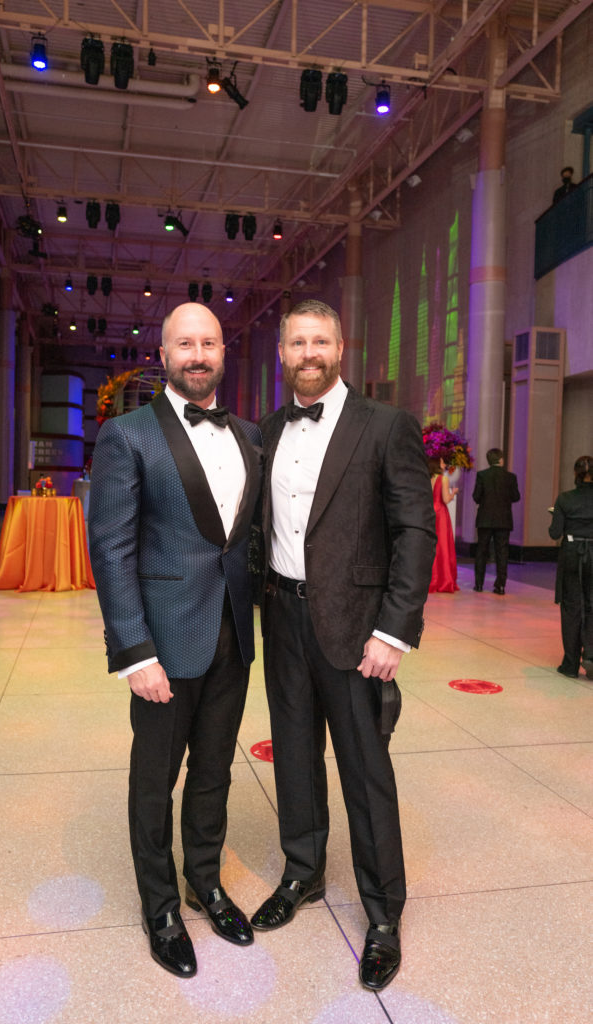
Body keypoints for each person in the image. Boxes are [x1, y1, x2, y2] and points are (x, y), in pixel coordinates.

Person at [250, 299, 436, 991]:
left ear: (340, 347)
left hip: (358, 631)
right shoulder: (267, 429)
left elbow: (414, 532)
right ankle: (301, 873)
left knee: (365, 772)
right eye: (296, 341)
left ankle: (383, 916)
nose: (308, 352)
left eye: (319, 340)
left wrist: (393, 630)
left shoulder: (386, 426)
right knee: (294, 759)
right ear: (281, 353)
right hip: (284, 620)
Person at [88, 302, 262, 978]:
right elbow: (110, 549)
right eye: (184, 343)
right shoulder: (128, 435)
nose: (197, 354)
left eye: (208, 342)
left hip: (231, 638)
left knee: (215, 772)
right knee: (154, 778)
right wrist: (134, 651)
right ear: (162, 354)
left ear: (223, 353)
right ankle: (160, 905)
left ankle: (204, 882)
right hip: (162, 644)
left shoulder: (249, 435)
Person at [548, 455, 593, 679]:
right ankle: (592, 656)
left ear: (576, 474)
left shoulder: (565, 499)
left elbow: (555, 533)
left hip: (572, 554)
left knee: (571, 607)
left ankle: (571, 663)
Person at [472, 447, 521, 595]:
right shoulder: (510, 477)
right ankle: (500, 586)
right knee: (502, 552)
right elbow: (516, 497)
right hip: (503, 520)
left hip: (485, 519)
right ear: (501, 459)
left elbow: (476, 497)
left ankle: (479, 584)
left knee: (482, 551)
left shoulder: (482, 475)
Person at [428, 456, 459, 593]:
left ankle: (430, 579)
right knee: (442, 546)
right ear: (437, 464)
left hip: (429, 512)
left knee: (431, 546)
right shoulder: (443, 479)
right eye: (441, 462)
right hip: (440, 513)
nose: (444, 464)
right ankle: (443, 580)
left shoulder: (428, 478)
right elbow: (445, 499)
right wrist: (453, 493)